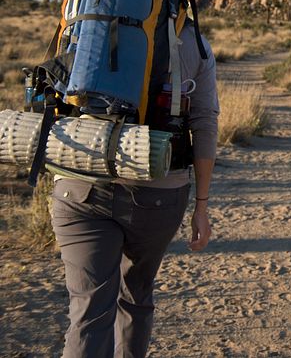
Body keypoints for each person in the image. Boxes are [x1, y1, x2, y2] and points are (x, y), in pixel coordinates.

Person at [50, 21, 219, 358]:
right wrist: (201, 205)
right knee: (136, 295)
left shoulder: (82, 21)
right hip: (157, 192)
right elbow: (205, 121)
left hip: (79, 182)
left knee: (87, 311)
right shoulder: (193, 43)